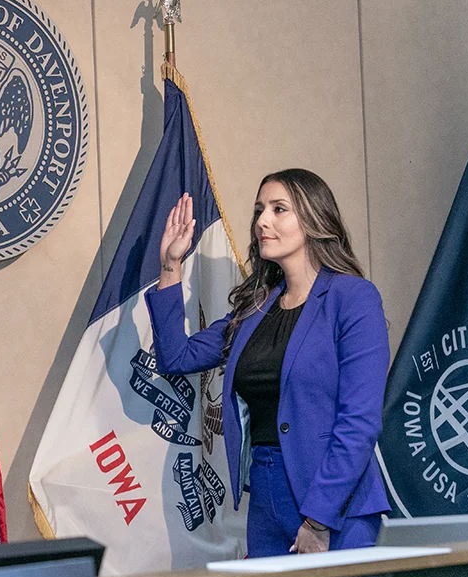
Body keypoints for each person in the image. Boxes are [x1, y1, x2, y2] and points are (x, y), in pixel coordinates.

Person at [145, 168, 390, 557]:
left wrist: (318, 520)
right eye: (260, 210)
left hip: (333, 508)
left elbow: (359, 422)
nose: (262, 221)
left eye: (279, 209)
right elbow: (176, 357)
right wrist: (170, 264)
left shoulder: (353, 298)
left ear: (314, 219)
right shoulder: (255, 310)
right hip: (265, 499)